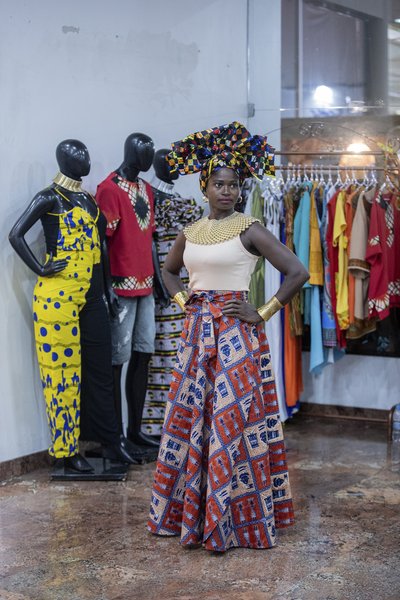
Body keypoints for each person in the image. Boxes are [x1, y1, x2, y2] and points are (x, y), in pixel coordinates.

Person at [147, 122, 309, 552]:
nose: (227, 191)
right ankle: (191, 517)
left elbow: (298, 272)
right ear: (204, 187)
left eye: (233, 185)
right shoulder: (190, 232)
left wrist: (262, 311)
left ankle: (235, 522)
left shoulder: (250, 228)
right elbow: (168, 271)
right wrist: (184, 301)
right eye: (219, 184)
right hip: (196, 335)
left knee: (233, 422)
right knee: (191, 420)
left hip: (236, 335)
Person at [9, 139, 141, 473]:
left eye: (86, 154)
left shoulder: (88, 199)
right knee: (62, 375)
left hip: (92, 294)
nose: (86, 160)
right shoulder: (50, 197)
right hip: (58, 296)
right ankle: (66, 450)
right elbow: (16, 235)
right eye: (78, 155)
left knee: (101, 369)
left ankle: (110, 440)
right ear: (64, 160)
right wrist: (40, 268)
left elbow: (101, 247)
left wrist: (107, 290)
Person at [96, 133, 169, 453]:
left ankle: (135, 430)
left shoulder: (145, 189)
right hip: (121, 286)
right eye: (146, 152)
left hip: (146, 285)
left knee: (143, 355)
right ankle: (115, 438)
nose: (150, 158)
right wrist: (107, 287)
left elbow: (150, 237)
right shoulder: (109, 189)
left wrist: (159, 281)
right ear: (132, 153)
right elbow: (102, 241)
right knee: (118, 361)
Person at [141, 149, 203, 437]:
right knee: (164, 355)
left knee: (184, 351)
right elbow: (150, 245)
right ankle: (160, 425)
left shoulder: (173, 196)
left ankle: (184, 420)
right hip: (165, 282)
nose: (178, 168)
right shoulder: (151, 198)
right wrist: (160, 282)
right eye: (172, 164)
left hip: (186, 280)